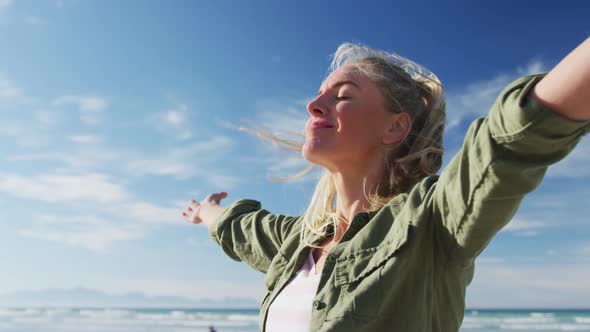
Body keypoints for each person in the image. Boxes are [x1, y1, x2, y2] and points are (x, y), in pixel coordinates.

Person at [182, 39, 590, 332]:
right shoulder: (296, 242)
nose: (314, 105)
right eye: (319, 94)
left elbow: (508, 140)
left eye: (342, 95)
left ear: (394, 127)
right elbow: (242, 228)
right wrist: (206, 211)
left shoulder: (429, 224)